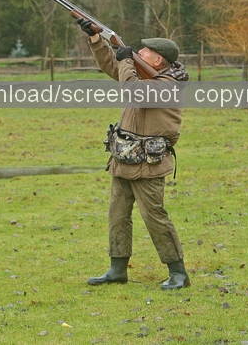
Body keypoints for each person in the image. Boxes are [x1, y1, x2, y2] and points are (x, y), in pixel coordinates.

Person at [77, 17, 190, 290]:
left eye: (145, 51)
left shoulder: (167, 85)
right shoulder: (143, 75)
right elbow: (113, 67)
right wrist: (96, 38)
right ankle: (117, 269)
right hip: (124, 157)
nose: (140, 52)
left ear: (158, 60)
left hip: (149, 163)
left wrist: (127, 59)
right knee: (117, 215)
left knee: (155, 217)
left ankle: (178, 273)